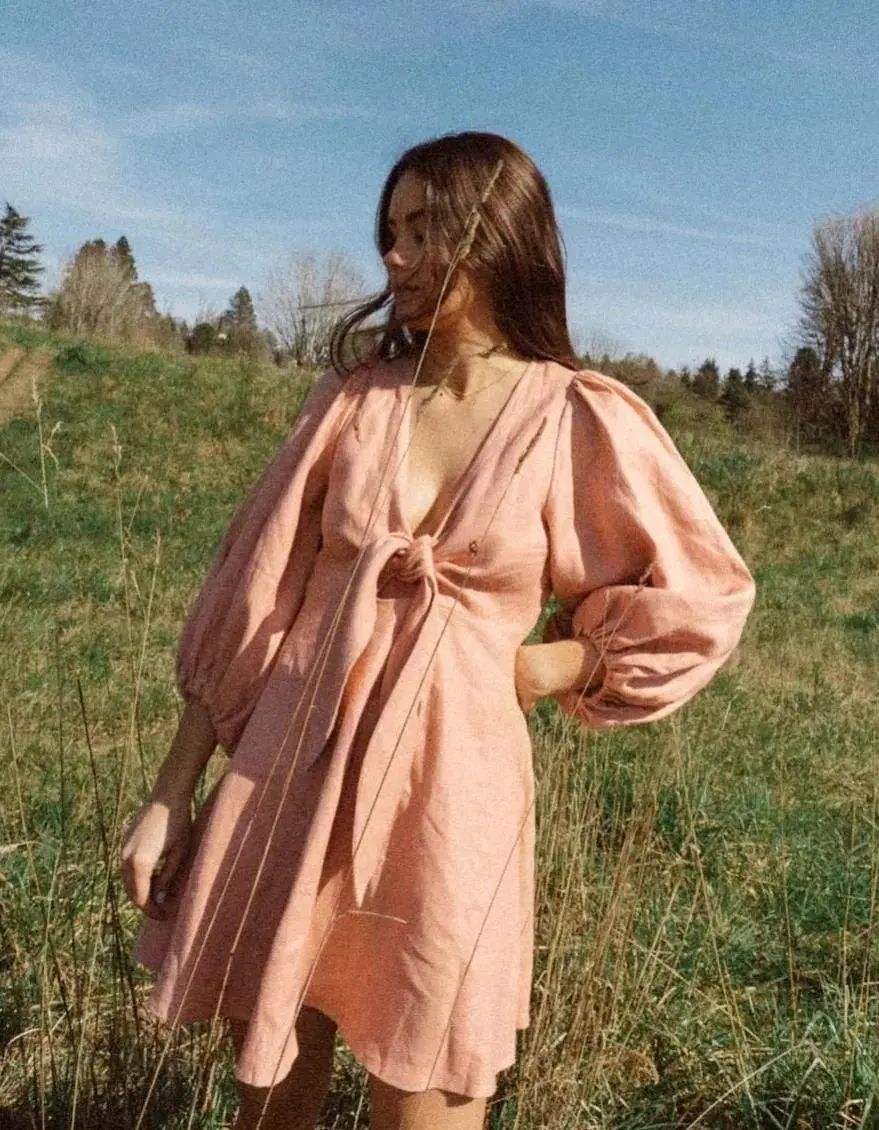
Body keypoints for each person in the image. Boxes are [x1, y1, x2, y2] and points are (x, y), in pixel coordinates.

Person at [121, 131, 755, 1130]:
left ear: (495, 237)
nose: (395, 255)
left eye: (423, 231)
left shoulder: (574, 416)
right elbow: (252, 597)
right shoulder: (353, 402)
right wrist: (170, 793)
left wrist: (556, 663)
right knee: (268, 1109)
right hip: (291, 775)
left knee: (430, 1095)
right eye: (390, 231)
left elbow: (704, 591)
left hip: (448, 802)